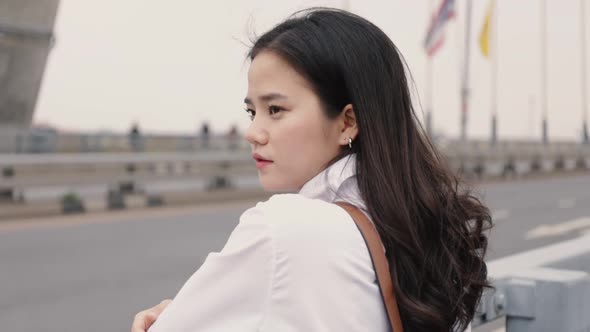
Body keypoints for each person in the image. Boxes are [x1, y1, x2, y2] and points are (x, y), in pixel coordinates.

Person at [132, 8, 491, 332]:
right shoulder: (397, 220)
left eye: (276, 110)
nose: (253, 132)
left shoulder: (280, 228)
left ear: (347, 122)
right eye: (251, 112)